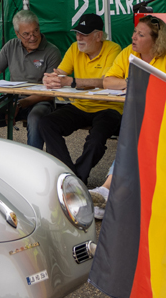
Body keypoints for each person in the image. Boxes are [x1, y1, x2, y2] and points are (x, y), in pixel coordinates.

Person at [90, 14, 166, 213]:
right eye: (135, 32)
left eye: (141, 35)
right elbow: (108, 81)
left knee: (134, 138)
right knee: (134, 137)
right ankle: (108, 192)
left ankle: (108, 191)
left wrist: (142, 85)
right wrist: (134, 83)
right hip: (140, 116)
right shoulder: (128, 52)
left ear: (156, 41)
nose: (134, 37)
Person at [38, 13, 123, 182]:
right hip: (81, 105)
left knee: (97, 138)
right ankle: (71, 175)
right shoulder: (74, 48)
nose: (78, 37)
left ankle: (77, 178)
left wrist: (73, 81)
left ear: (99, 36)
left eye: (84, 34)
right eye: (77, 33)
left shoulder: (114, 50)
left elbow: (106, 81)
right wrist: (50, 78)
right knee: (46, 123)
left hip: (109, 107)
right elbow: (60, 73)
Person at [0, 9, 61, 147]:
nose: (32, 37)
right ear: (17, 34)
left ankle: (32, 163)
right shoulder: (11, 46)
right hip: (11, 98)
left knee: (35, 119)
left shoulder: (52, 51)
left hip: (39, 100)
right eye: (26, 34)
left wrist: (21, 104)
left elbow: (51, 92)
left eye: (36, 31)